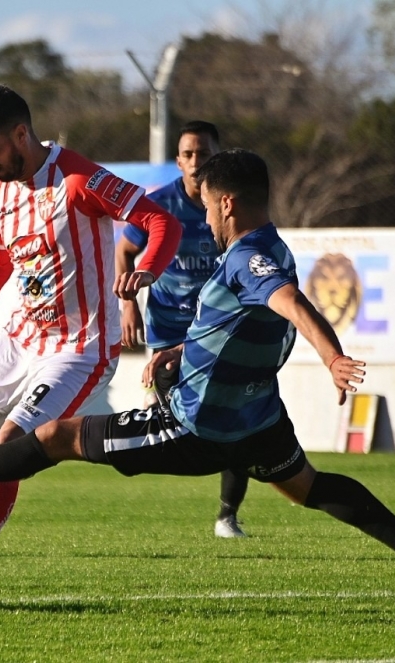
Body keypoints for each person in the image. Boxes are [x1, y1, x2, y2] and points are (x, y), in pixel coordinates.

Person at [0, 148, 395, 608]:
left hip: (195, 425)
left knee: (53, 437)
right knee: (309, 487)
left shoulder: (249, 257)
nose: (206, 216)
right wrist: (183, 349)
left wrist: (332, 356)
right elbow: (246, 318)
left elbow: (290, 303)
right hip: (258, 421)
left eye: (208, 206)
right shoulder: (274, 247)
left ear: (228, 204)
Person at [0, 84, 182, 615]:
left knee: (9, 449)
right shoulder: (0, 197)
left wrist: (147, 269)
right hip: (19, 340)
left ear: (20, 134)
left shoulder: (79, 180)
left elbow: (159, 221)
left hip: (79, 348)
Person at [117, 120, 250, 539]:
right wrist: (128, 304)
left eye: (203, 154)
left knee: (236, 419)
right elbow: (125, 249)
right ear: (178, 161)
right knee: (172, 427)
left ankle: (228, 516)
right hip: (167, 330)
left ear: (217, 158)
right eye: (188, 155)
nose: (195, 162)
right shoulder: (159, 205)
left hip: (215, 331)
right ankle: (153, 410)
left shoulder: (232, 206)